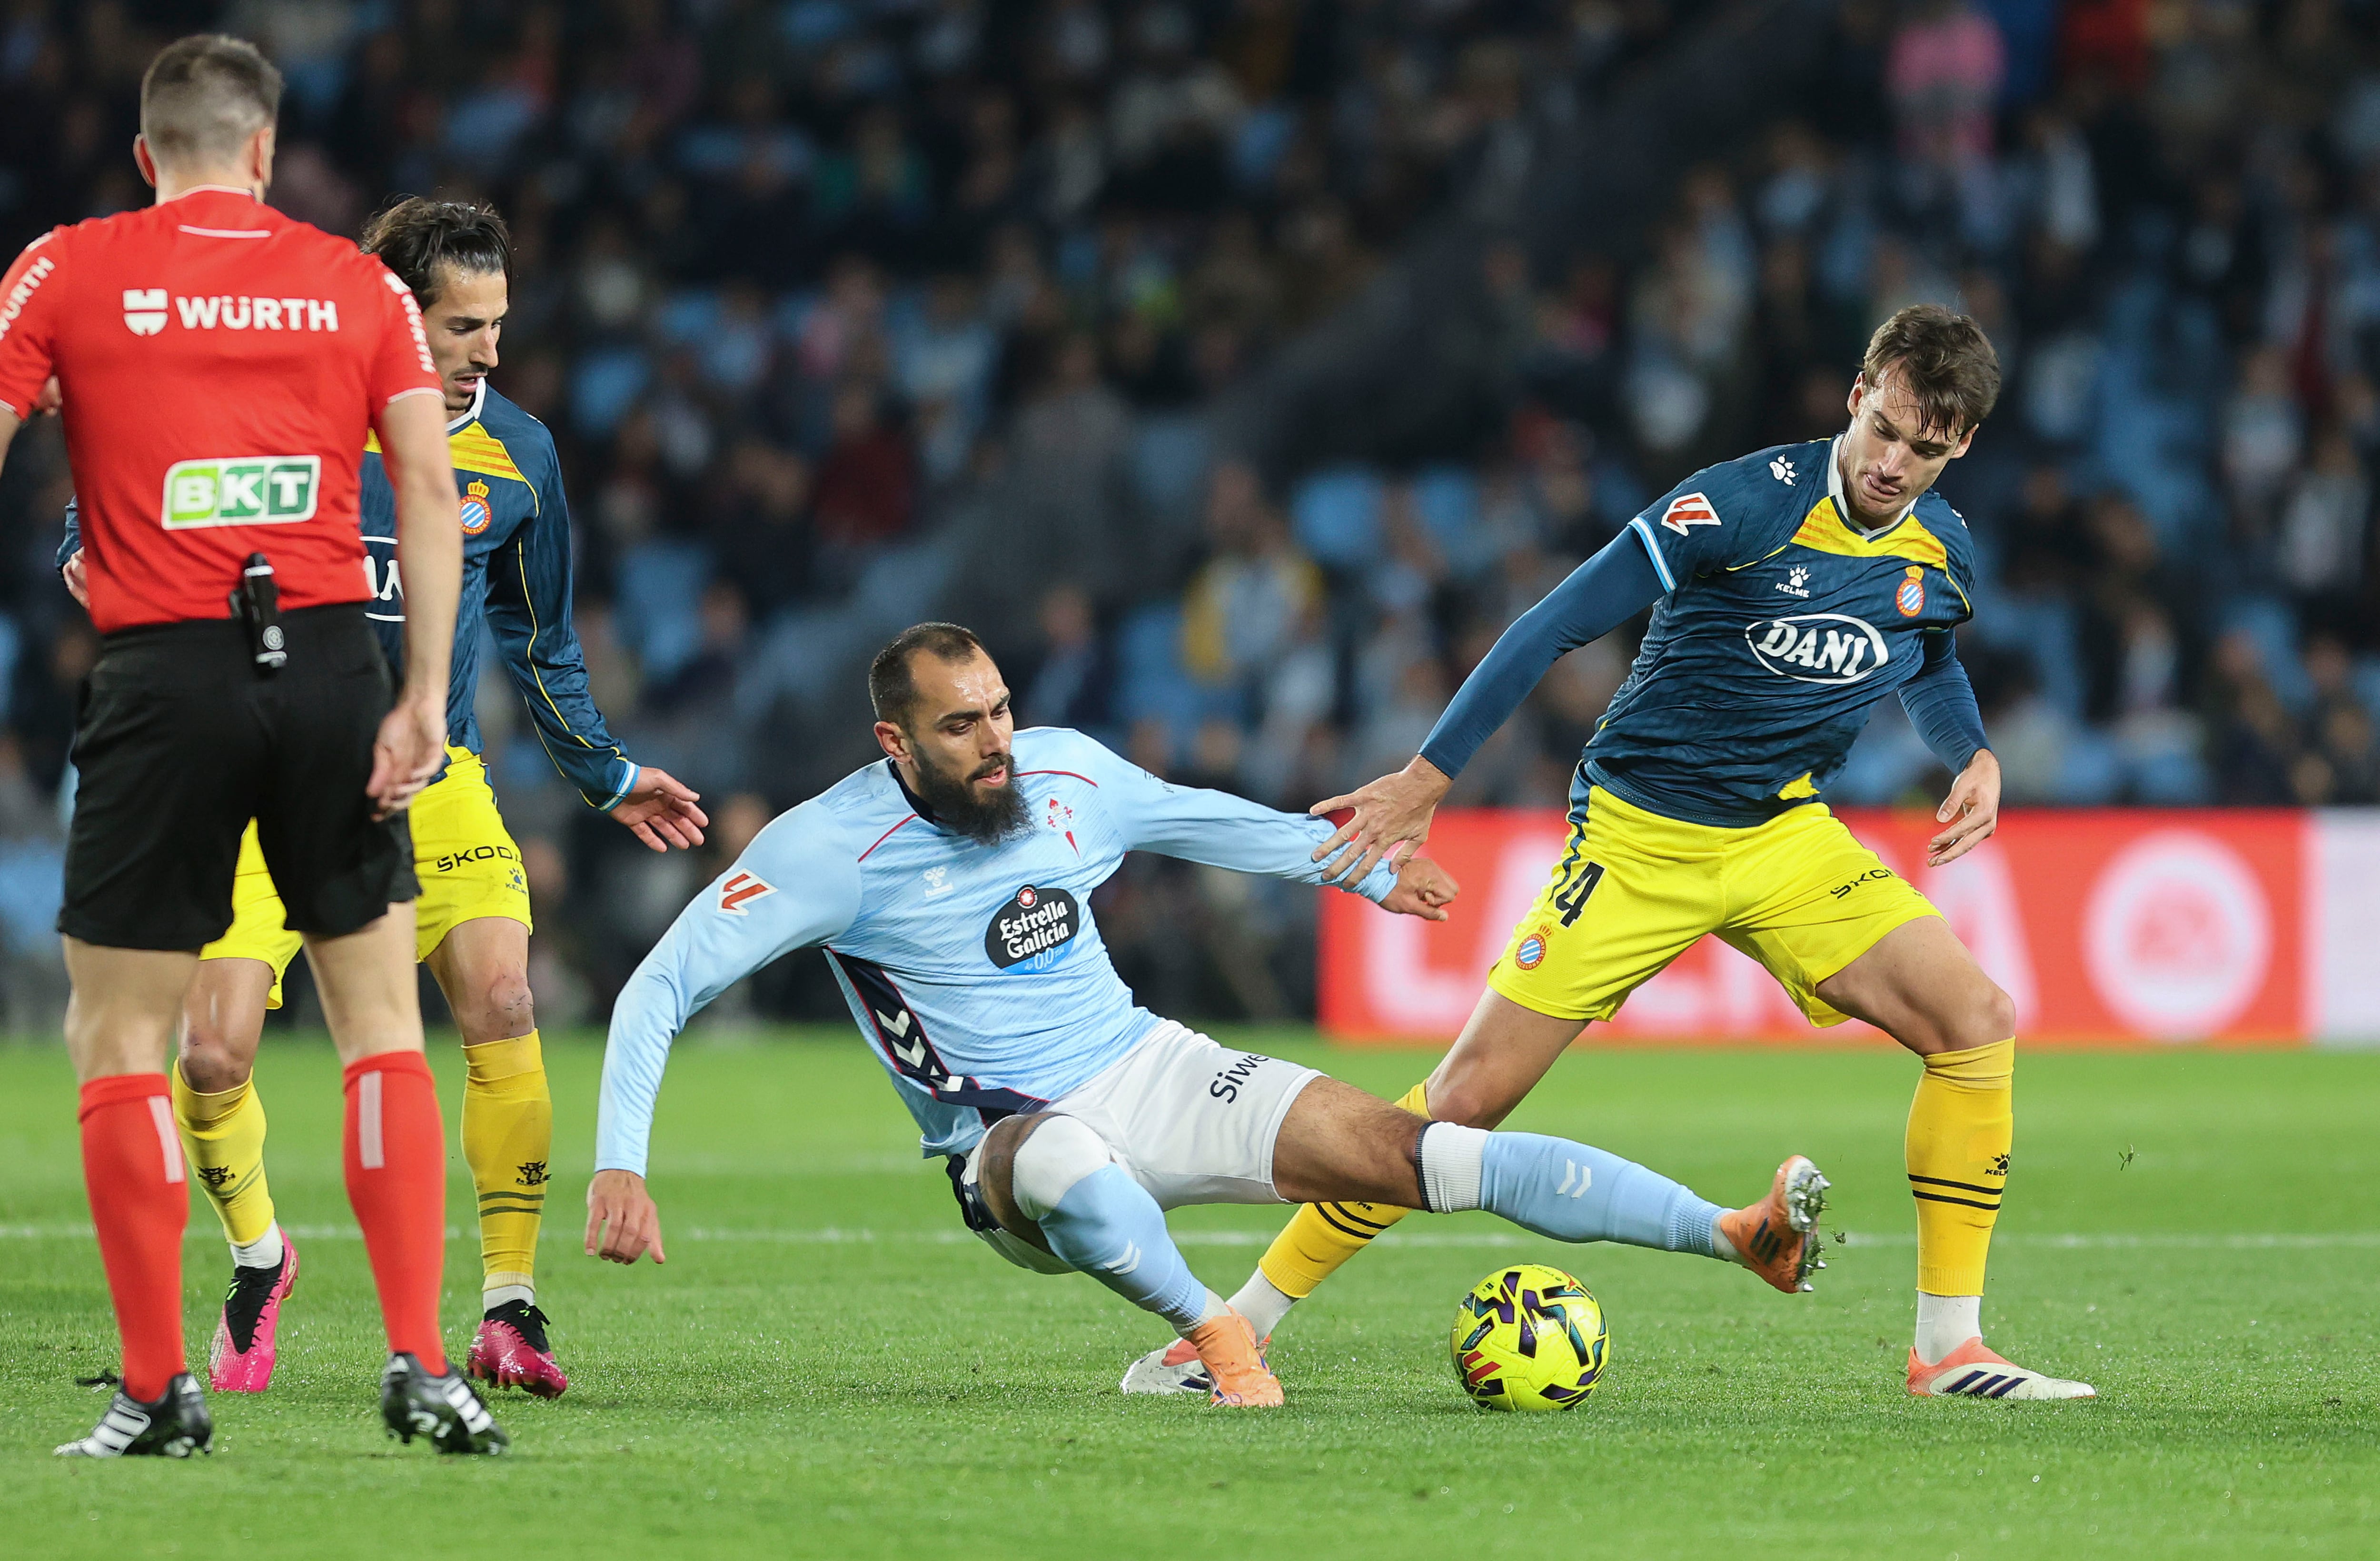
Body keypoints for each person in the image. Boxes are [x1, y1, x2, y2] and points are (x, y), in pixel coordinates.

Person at [1127, 305, 2094, 1402]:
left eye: (1926, 448)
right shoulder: (1740, 502)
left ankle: (1949, 1350)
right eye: (1886, 428)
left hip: (1784, 834)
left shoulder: (1941, 547)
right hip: (1640, 837)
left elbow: (1924, 649)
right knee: (1457, 1108)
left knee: (1976, 1019)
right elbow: (1551, 621)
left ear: (1961, 444)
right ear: (1858, 389)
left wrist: (1970, 752)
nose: (1894, 463)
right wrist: (1427, 777)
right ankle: (1224, 1331)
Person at [585, 624, 1832, 1406]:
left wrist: (1362, 864)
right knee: (1065, 1155)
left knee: (1417, 1151)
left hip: (1148, 1064)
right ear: (893, 739)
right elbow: (661, 985)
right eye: (961, 724)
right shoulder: (825, 848)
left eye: (1002, 708)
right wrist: (622, 1162)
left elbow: (1203, 818)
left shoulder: (1066, 772)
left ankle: (1733, 1234)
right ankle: (1213, 1337)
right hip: (1006, 1141)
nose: (996, 740)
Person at [59, 197, 706, 1402]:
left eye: (499, 322)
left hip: (435, 776)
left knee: (507, 996)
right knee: (210, 1051)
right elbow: (104, 510)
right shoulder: (271, 400)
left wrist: (604, 771)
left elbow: (541, 637)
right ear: (394, 309)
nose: (490, 351)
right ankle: (260, 1257)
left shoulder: (517, 451)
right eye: (464, 324)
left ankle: (508, 1307)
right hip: (266, 779)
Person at [0, 35, 503, 1457]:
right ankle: (422, 1365)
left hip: (163, 671)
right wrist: (416, 696)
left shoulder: (65, 269)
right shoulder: (357, 284)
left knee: (121, 1039)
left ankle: (160, 1389)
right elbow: (422, 483)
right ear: (270, 152)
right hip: (338, 664)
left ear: (148, 155)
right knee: (382, 1027)